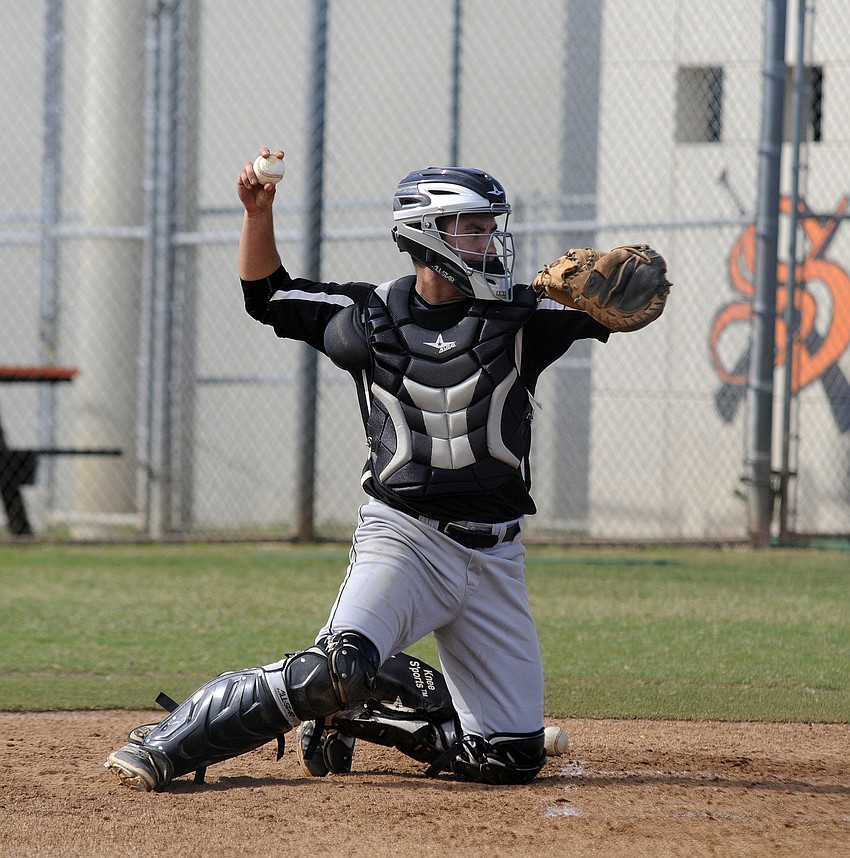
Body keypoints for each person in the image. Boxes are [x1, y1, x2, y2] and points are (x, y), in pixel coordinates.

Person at [104, 149, 616, 792]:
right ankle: (166, 743)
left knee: (508, 760)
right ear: (429, 236)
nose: (491, 241)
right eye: (474, 227)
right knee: (333, 668)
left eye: (491, 227)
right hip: (407, 538)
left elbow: (625, 301)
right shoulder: (367, 316)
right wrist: (257, 213)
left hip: (496, 558)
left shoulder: (524, 317)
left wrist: (628, 279)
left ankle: (357, 710)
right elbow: (267, 297)